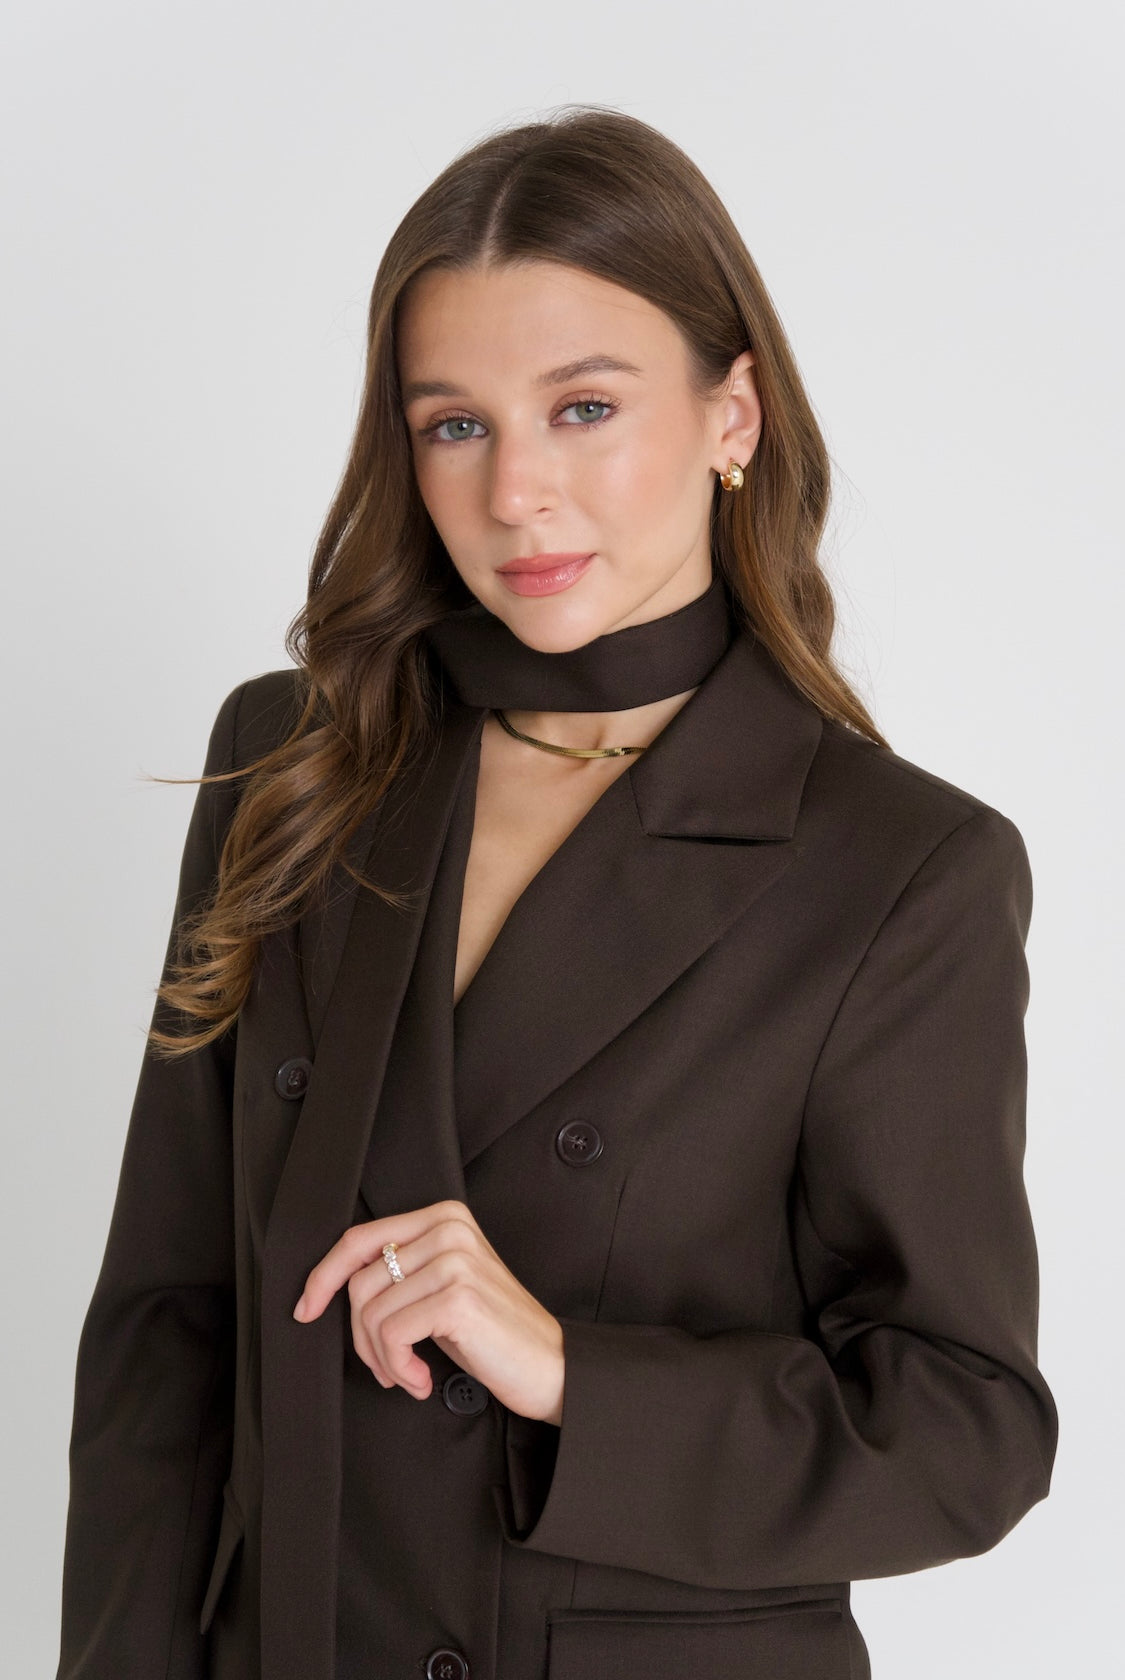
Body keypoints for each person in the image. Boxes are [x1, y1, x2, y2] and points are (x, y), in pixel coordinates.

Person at [55, 105, 1058, 1680]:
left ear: (733, 416)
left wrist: (568, 1370)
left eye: (583, 407)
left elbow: (961, 1431)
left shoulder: (897, 868)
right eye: (453, 423)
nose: (515, 488)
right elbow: (165, 1329)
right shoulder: (293, 761)